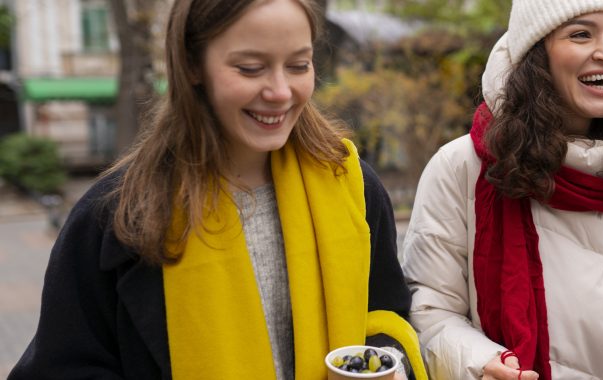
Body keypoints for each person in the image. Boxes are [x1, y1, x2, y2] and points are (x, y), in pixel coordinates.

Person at [10, 0, 426, 379]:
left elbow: (386, 312)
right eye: (250, 68)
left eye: (299, 65)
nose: (280, 92)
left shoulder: (351, 184)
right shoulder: (116, 217)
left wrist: (385, 362)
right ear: (192, 64)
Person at [402, 0, 603, 379]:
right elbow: (430, 311)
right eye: (581, 34)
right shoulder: (462, 167)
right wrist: (480, 363)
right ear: (537, 54)